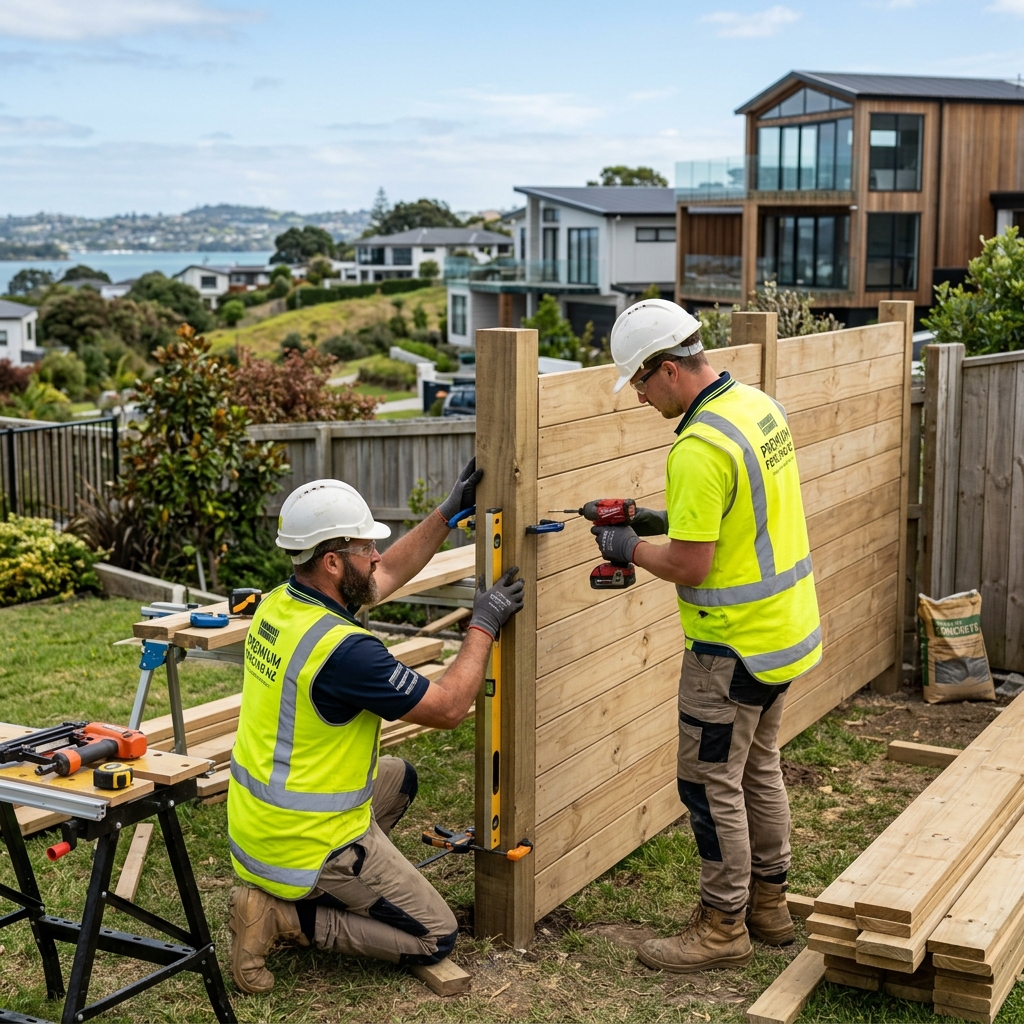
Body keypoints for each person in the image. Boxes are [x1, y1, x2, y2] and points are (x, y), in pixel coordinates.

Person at [227, 461, 524, 993]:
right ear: (335, 562)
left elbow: (382, 579)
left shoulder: (282, 602)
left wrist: (446, 514)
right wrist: (483, 624)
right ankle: (289, 918)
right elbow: (449, 708)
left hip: (261, 825)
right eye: (367, 548)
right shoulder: (346, 654)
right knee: (436, 935)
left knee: (399, 776)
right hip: (308, 842)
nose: (377, 556)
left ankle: (306, 890)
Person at [589, 299, 821, 973]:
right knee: (758, 767)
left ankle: (723, 926)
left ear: (667, 369)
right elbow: (739, 509)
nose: (636, 393)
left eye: (638, 379)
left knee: (707, 781)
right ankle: (769, 907)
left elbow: (692, 563)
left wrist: (628, 547)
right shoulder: (754, 406)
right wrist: (653, 518)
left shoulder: (696, 447)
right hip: (784, 633)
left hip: (732, 646)